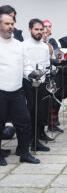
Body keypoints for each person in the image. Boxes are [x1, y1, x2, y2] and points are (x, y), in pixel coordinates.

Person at [0, 13, 39, 165]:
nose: (10, 26)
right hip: (0, 92)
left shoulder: (19, 45)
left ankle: (24, 152)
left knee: (24, 123)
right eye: (7, 23)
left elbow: (26, 65)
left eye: (12, 24)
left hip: (16, 91)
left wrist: (32, 73)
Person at [22, 19, 54, 152]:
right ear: (30, 30)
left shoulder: (44, 47)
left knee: (40, 112)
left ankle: (36, 141)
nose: (39, 32)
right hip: (28, 83)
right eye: (36, 29)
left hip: (41, 83)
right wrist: (30, 75)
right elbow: (24, 64)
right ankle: (26, 141)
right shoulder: (23, 45)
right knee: (30, 112)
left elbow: (46, 64)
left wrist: (45, 75)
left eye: (41, 29)